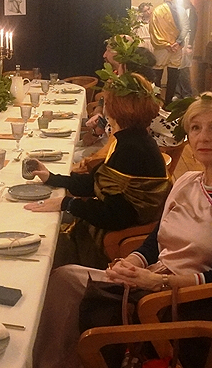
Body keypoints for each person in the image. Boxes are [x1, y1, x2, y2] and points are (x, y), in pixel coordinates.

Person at [32, 91, 212, 368]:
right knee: (64, 278)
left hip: (183, 309)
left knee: (73, 298)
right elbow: (156, 240)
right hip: (152, 282)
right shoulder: (188, 181)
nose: (203, 137)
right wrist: (131, 262)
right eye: (196, 128)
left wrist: (159, 283)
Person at [26, 73, 172, 269]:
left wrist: (67, 203)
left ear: (114, 109)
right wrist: (52, 177)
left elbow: (116, 216)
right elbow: (98, 182)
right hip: (114, 224)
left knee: (40, 240)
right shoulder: (132, 139)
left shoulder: (131, 150)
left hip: (113, 241)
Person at [150, 0, 187, 104]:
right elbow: (186, 28)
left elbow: (153, 31)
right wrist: (177, 43)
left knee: (157, 76)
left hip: (162, 48)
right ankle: (168, 102)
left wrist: (165, 44)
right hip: (177, 48)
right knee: (173, 75)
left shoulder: (157, 11)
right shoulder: (181, 10)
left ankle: (156, 101)